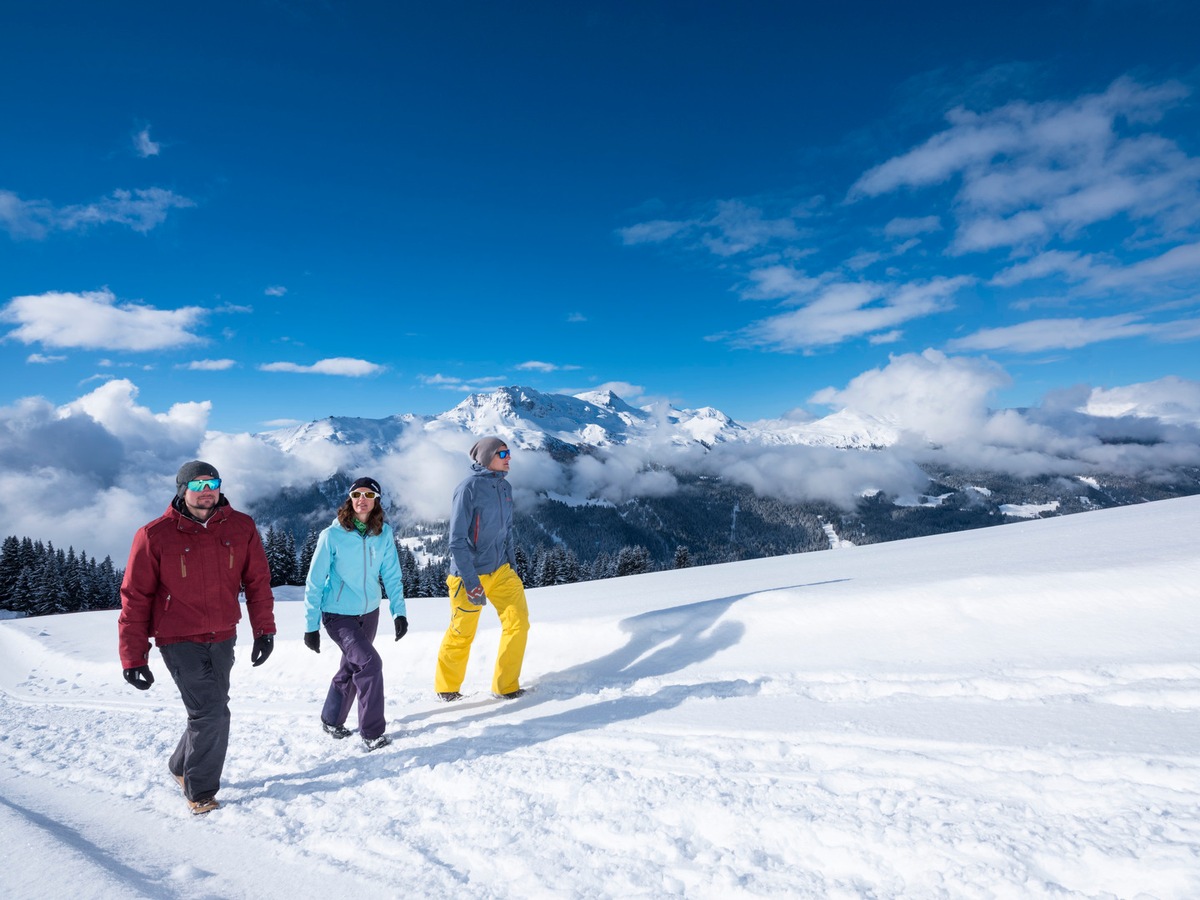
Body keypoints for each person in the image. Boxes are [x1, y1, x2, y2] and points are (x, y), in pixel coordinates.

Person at [118, 460, 276, 816]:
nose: (207, 491)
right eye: (198, 485)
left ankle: (179, 766)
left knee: (208, 711)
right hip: (178, 638)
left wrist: (264, 629)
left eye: (213, 483)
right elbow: (135, 596)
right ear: (182, 490)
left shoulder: (241, 527)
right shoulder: (154, 534)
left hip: (223, 635)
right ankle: (200, 790)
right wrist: (133, 656)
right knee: (212, 713)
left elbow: (257, 582)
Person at [303, 476, 407, 752]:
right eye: (357, 494)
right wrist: (311, 625)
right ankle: (372, 733)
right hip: (338, 614)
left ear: (376, 501)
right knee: (369, 665)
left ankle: (331, 719)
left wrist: (400, 612)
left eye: (369, 495)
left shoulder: (383, 533)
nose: (362, 499)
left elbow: (392, 575)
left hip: (370, 611)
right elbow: (315, 581)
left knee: (352, 665)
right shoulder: (332, 536)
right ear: (350, 499)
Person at [435, 437, 530, 701]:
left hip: (501, 571)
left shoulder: (505, 487)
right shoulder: (468, 488)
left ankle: (506, 685)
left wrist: (512, 566)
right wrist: (470, 580)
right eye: (503, 453)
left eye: (509, 452)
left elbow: (507, 530)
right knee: (462, 632)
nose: (509, 457)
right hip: (469, 575)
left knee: (518, 623)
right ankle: (446, 688)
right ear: (487, 457)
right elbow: (456, 540)